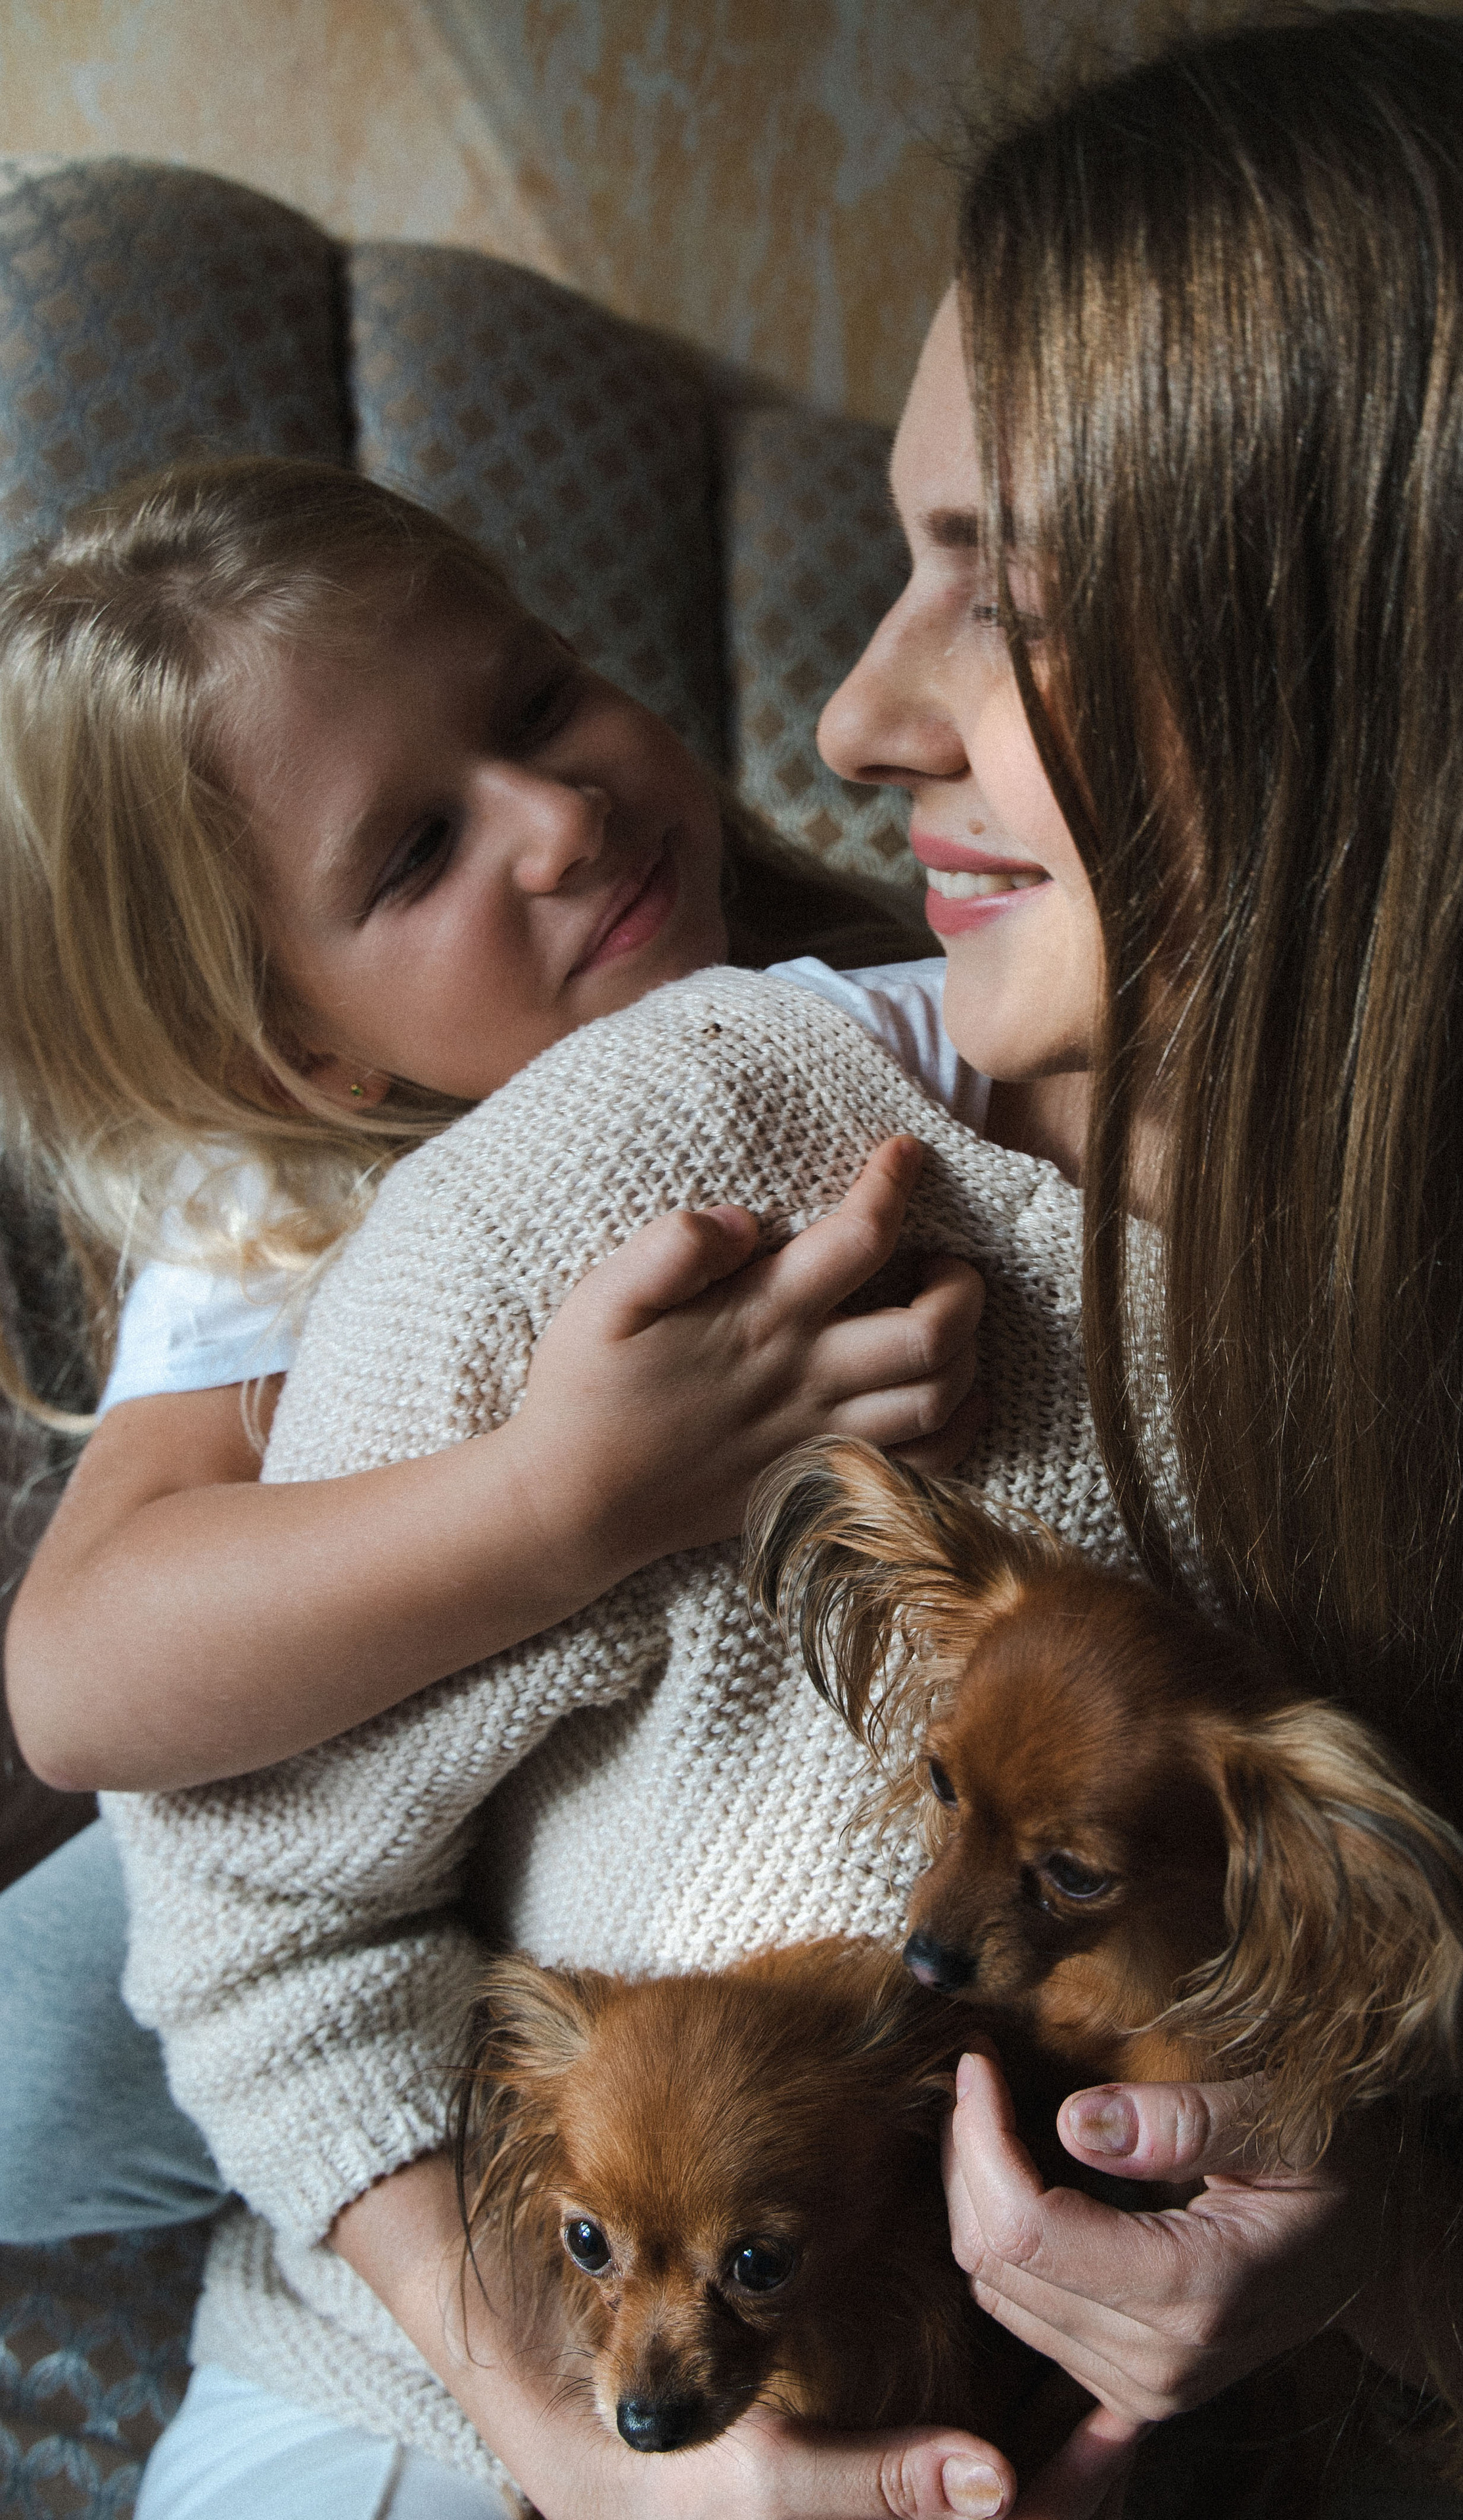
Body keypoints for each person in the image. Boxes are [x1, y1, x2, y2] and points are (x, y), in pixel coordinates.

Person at [816, 10, 1463, 2508]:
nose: (862, 713)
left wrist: (1378, 2254)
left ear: (1407, 670)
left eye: (1018, 585)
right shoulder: (811, 1121)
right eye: (907, 560)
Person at [0, 453, 997, 2252]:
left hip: (693, 1833)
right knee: (25, 2078)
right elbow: (76, 1675)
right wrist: (564, 1496)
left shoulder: (874, 987)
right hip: (382, 1850)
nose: (556, 816)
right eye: (415, 851)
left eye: (538, 701)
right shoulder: (287, 1200)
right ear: (312, 1057)